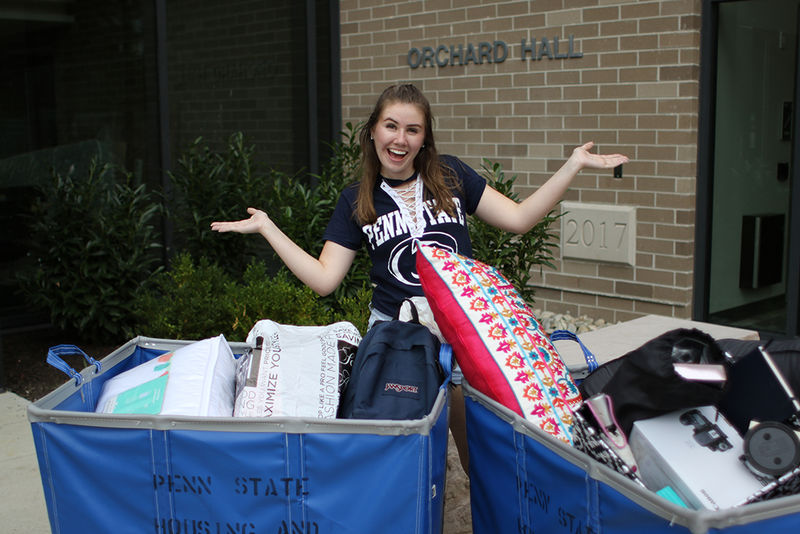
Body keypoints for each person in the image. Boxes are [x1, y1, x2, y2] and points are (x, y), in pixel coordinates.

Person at [211, 83, 629, 474]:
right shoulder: (356, 199)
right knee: (401, 454)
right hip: (398, 340)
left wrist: (573, 164)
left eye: (413, 130)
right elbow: (324, 279)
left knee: (478, 454)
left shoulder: (451, 176)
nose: (401, 139)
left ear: (424, 138)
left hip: (462, 331)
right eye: (391, 126)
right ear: (373, 131)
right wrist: (268, 228)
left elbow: (519, 219)